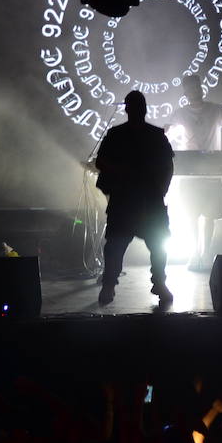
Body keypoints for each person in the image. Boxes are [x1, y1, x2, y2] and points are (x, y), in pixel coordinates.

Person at [93, 90, 174, 307]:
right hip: (136, 199)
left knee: (121, 246)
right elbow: (168, 166)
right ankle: (154, 283)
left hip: (134, 200)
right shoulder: (149, 135)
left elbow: (100, 162)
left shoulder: (120, 134)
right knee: (149, 244)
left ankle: (111, 285)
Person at [169, 74, 222, 271]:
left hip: (212, 173)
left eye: (197, 86)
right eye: (191, 88)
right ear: (185, 92)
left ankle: (206, 252)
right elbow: (169, 134)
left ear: (201, 88)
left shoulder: (216, 110)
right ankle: (195, 253)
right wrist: (166, 131)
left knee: (209, 216)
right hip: (190, 174)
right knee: (191, 216)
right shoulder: (180, 114)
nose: (195, 90)